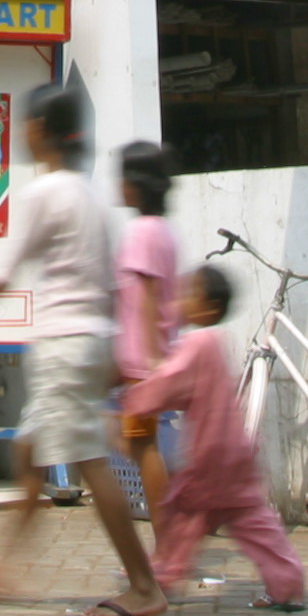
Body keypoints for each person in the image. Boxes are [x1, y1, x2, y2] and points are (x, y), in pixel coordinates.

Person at [0, 80, 166, 616]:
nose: (22, 132)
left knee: (91, 462)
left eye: (27, 124)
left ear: (42, 131)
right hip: (84, 344)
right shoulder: (89, 195)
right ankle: (0, 568)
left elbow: (0, 275)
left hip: (64, 346)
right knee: (28, 455)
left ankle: (144, 587)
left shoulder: (46, 194)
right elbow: (112, 289)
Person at [127, 263, 307, 612]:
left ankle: (162, 577)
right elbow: (189, 389)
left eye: (187, 295)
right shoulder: (214, 343)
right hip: (235, 453)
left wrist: (134, 399)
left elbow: (170, 383)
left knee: (182, 513)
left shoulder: (196, 343)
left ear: (207, 307)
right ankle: (287, 582)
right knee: (253, 520)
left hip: (207, 457)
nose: (180, 301)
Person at [112, 141, 179, 523]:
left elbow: (150, 296)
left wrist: (151, 361)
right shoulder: (163, 231)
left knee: (144, 452)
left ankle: (167, 549)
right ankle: (167, 547)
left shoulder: (141, 232)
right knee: (142, 449)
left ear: (134, 185)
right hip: (147, 364)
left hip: (142, 368)